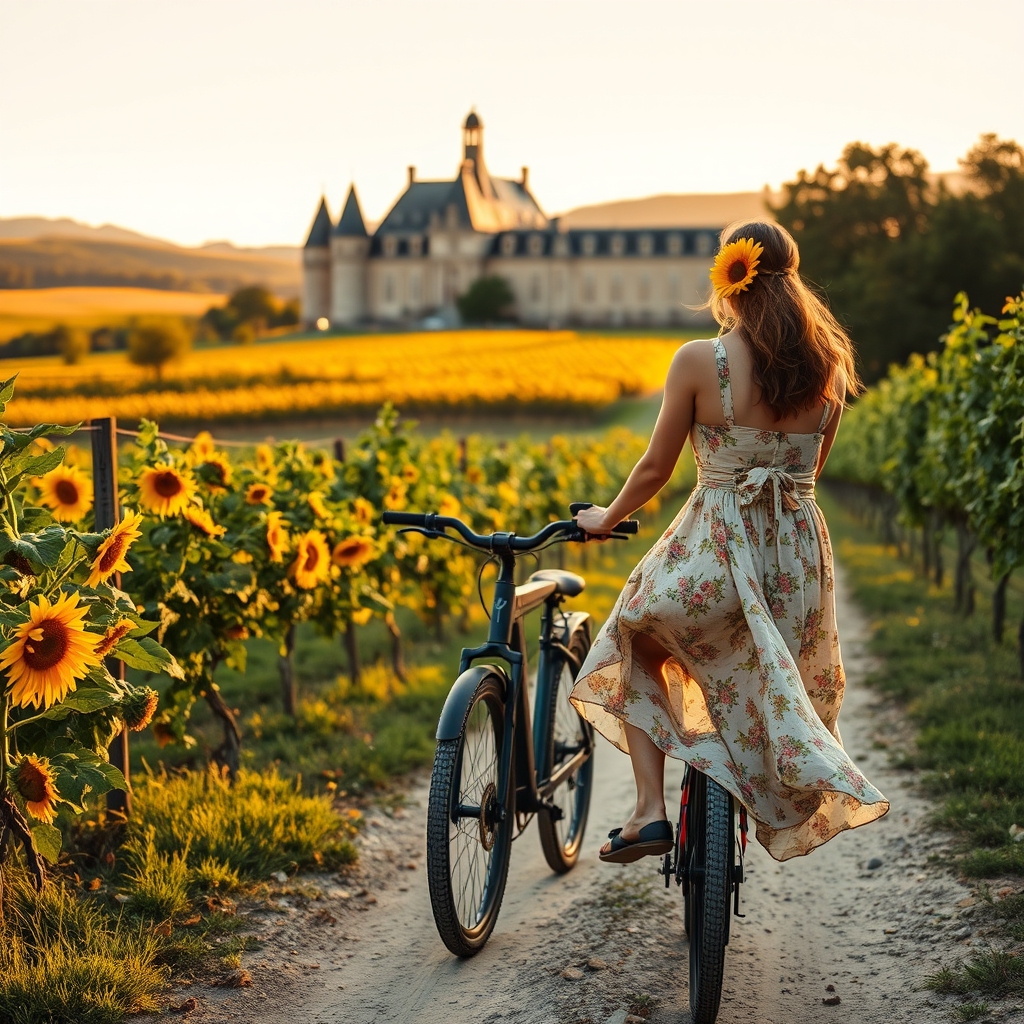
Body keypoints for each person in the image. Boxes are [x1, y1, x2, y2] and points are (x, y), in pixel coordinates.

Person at [571, 220, 889, 863]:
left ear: (730, 277)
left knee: (637, 635)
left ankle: (649, 809)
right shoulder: (830, 368)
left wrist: (605, 517)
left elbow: (657, 469)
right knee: (768, 674)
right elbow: (810, 478)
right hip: (794, 557)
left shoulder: (700, 361)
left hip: (715, 546)